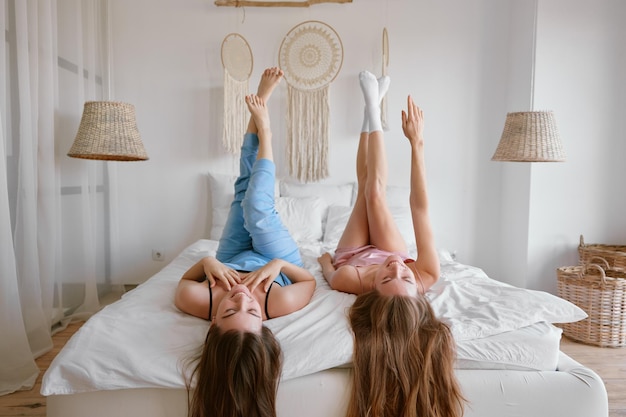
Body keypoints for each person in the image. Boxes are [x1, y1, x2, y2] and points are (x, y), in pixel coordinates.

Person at [319, 71, 465, 417]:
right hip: (387, 244)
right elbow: (420, 207)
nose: (396, 268)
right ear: (418, 290)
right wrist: (417, 144)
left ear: (372, 290)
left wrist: (325, 260)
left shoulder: (350, 281)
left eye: (387, 278)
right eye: (405, 276)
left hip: (352, 256)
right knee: (374, 193)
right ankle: (373, 105)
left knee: (365, 184)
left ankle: (371, 109)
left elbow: (328, 269)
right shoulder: (425, 272)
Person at [175, 67, 316, 417]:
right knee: (257, 206)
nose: (241, 299)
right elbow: (310, 280)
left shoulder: (195, 299)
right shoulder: (277, 301)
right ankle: (266, 131)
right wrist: (278, 266)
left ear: (212, 322)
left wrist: (208, 263)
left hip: (231, 256)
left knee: (242, 188)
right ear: (263, 320)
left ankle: (262, 100)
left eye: (229, 310)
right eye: (251, 311)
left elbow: (185, 280)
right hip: (276, 258)